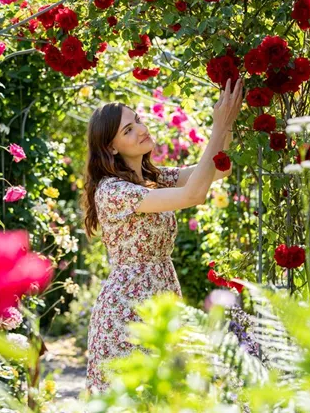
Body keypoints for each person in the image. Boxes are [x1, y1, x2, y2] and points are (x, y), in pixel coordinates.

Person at [80, 78, 243, 393]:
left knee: (167, 396)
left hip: (162, 296)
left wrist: (228, 121)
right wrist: (217, 127)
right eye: (128, 130)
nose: (141, 129)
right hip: (126, 310)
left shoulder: (154, 179)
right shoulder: (113, 191)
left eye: (137, 121)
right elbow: (195, 194)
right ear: (111, 147)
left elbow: (218, 170)